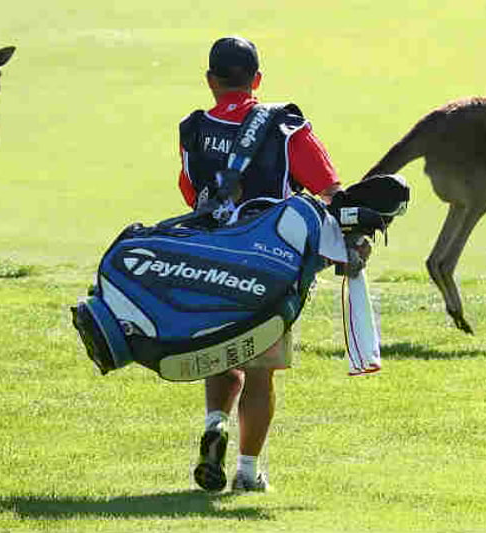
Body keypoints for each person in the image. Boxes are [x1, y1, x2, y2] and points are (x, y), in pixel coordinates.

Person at [177, 36, 344, 493]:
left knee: (219, 350)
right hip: (269, 265)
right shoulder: (286, 127)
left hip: (210, 257)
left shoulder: (191, 130)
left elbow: (193, 195)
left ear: (211, 81)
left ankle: (215, 421)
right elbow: (329, 189)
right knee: (259, 369)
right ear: (258, 80)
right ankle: (248, 473)